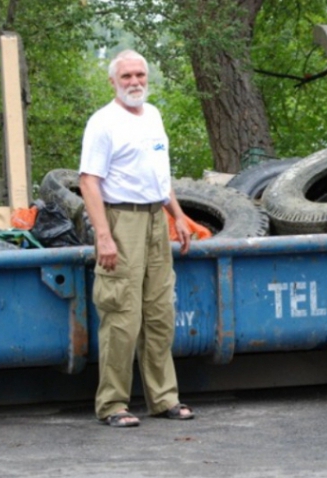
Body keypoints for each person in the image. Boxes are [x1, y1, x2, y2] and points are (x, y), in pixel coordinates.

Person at [79, 49, 194, 427]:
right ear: (113, 81)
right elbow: (89, 181)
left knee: (160, 313)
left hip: (155, 219)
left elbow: (159, 177)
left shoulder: (154, 116)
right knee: (121, 316)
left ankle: (164, 399)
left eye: (140, 75)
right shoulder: (103, 122)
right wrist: (104, 236)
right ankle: (113, 404)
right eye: (126, 76)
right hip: (120, 220)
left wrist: (177, 215)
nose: (134, 82)